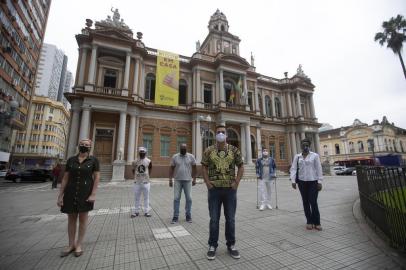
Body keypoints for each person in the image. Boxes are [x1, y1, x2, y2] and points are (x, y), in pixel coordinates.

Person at [201, 125, 244, 260]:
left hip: (230, 191)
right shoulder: (208, 150)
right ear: (216, 135)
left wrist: (236, 182)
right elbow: (204, 167)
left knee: (230, 219)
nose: (220, 134)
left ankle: (231, 245)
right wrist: (208, 183)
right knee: (214, 219)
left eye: (222, 132)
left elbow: (241, 166)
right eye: (218, 132)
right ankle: (212, 245)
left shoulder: (234, 150)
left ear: (226, 135)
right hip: (214, 191)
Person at [57, 139, 100, 257]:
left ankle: (79, 244)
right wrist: (60, 195)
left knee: (83, 219)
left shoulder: (94, 160)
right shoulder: (71, 160)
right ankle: (71, 244)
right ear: (78, 145)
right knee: (71, 219)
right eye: (82, 144)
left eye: (87, 145)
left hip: (85, 193)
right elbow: (65, 178)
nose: (84, 146)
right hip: (70, 192)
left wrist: (93, 194)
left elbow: (96, 178)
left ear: (90, 147)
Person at [290, 138, 323, 231]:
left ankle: (317, 222)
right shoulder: (297, 157)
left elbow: (318, 168)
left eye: (307, 145)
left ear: (309, 146)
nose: (305, 147)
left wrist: (320, 181)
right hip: (301, 182)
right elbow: (293, 169)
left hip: (313, 181)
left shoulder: (315, 156)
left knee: (313, 201)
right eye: (303, 145)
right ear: (301, 146)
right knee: (305, 202)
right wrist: (293, 181)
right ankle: (309, 221)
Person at [169, 143, 197, 224]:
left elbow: (195, 168)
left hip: (188, 181)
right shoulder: (175, 157)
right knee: (176, 198)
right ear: (179, 149)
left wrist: (194, 179)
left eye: (185, 149)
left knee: (189, 199)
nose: (183, 150)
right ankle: (175, 216)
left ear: (186, 149)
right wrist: (170, 180)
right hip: (177, 180)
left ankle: (188, 216)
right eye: (182, 149)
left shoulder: (191, 156)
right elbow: (171, 168)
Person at [131, 147, 152, 217]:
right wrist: (136, 176)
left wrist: (147, 176)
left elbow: (150, 168)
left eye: (143, 153)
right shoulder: (135, 161)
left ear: (145, 153)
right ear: (139, 153)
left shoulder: (148, 161)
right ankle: (136, 211)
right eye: (141, 152)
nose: (142, 154)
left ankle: (146, 212)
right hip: (137, 182)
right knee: (137, 197)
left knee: (146, 197)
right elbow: (133, 169)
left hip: (146, 182)